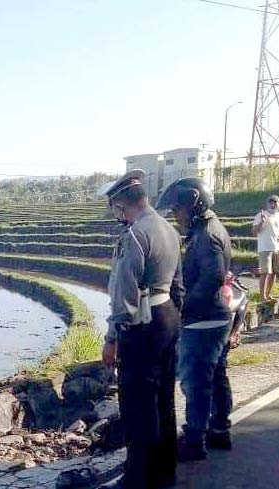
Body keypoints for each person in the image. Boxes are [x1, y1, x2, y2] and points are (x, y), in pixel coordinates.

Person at [98, 169, 183, 489]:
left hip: (141, 325)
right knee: (164, 399)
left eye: (113, 207)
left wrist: (112, 338)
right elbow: (179, 285)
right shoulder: (168, 229)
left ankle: (137, 479)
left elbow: (125, 296)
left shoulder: (134, 235)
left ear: (121, 204)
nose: (114, 213)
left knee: (137, 404)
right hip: (167, 317)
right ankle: (164, 475)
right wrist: (174, 318)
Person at [156, 177, 233, 461]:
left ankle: (195, 439)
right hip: (214, 317)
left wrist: (183, 308)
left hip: (203, 320)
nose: (176, 216)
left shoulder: (208, 234)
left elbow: (212, 276)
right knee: (215, 375)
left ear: (195, 204)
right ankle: (219, 429)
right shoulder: (204, 229)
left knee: (196, 381)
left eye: (178, 210)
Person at [252, 195, 279, 301]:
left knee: (275, 272)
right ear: (267, 204)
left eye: (275, 202)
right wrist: (262, 222)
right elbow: (254, 231)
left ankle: (268, 294)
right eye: (270, 203)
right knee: (265, 272)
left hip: (278, 248)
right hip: (265, 248)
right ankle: (262, 296)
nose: (272, 204)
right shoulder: (261, 215)